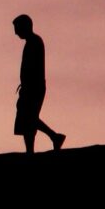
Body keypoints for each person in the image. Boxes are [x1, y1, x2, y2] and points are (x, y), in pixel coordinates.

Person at [11, 14, 67, 153]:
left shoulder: (35, 42)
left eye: (17, 28)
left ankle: (54, 137)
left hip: (34, 87)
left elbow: (33, 67)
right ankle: (34, 147)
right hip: (31, 86)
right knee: (27, 119)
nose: (15, 32)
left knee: (28, 117)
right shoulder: (32, 42)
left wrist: (27, 86)